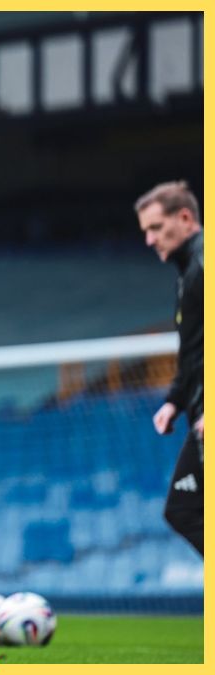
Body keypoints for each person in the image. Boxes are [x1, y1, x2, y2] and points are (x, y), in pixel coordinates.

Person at [135, 180, 203, 556]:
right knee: (185, 510)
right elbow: (197, 349)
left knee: (185, 509)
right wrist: (175, 400)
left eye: (156, 228)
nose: (149, 239)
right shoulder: (189, 270)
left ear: (185, 218)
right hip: (197, 411)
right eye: (145, 230)